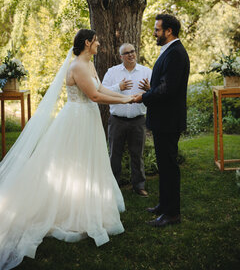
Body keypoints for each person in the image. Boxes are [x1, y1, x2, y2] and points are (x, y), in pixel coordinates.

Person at [0, 29, 133, 270]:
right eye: (96, 41)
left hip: (88, 120)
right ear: (87, 43)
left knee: (89, 165)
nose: (99, 44)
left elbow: (102, 90)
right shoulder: (78, 67)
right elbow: (93, 96)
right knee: (74, 165)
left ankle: (84, 203)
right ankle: (70, 211)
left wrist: (128, 95)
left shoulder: (89, 64)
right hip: (77, 121)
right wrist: (125, 101)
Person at [134, 14, 190, 227]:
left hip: (168, 120)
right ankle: (163, 206)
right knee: (164, 166)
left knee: (169, 167)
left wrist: (144, 97)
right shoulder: (170, 51)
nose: (154, 32)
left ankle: (172, 213)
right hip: (163, 119)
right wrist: (152, 90)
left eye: (157, 29)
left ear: (168, 31)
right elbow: (165, 84)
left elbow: (169, 89)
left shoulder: (176, 53)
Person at [102, 43, 152, 197]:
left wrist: (150, 89)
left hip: (138, 120)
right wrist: (119, 87)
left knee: (137, 155)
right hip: (117, 120)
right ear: (121, 56)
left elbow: (156, 93)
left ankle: (139, 186)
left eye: (133, 51)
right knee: (114, 155)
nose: (131, 55)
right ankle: (113, 188)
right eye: (127, 53)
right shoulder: (112, 72)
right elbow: (101, 90)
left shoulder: (146, 71)